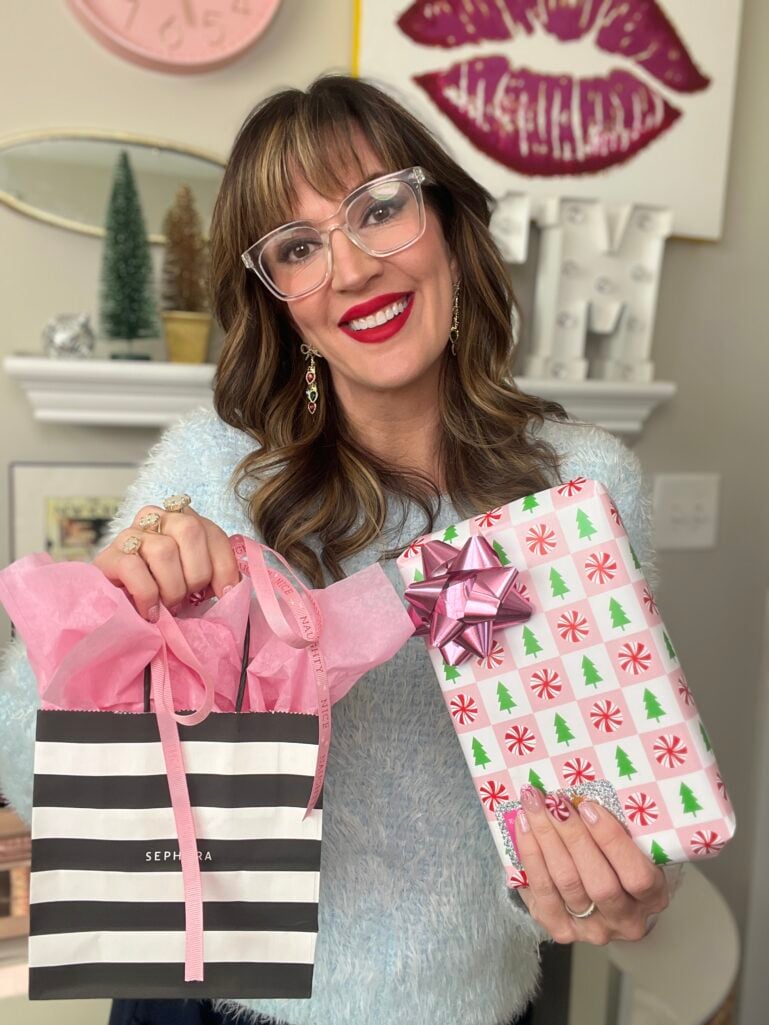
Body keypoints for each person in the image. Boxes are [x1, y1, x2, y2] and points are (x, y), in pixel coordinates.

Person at [0, 75, 677, 1025]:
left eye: (379, 208)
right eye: (298, 247)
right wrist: (118, 616)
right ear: (278, 301)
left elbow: (621, 783)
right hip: (215, 1005)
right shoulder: (213, 470)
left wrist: (626, 876)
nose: (351, 268)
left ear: (443, 217)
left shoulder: (575, 484)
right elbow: (38, 773)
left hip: (471, 1007)